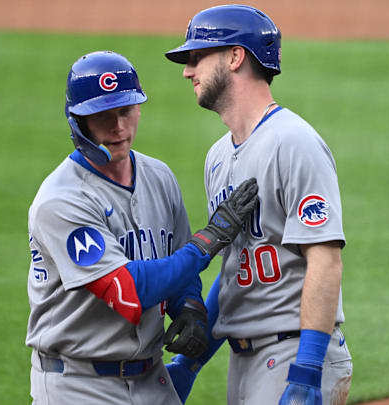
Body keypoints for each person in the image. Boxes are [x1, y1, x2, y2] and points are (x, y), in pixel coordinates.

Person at [25, 50, 259, 404]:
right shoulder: (61, 200)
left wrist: (189, 307)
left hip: (152, 378)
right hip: (78, 384)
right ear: (78, 122)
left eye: (126, 110)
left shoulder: (158, 177)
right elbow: (127, 292)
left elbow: (180, 270)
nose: (118, 126)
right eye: (103, 116)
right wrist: (206, 243)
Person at [163, 5, 353, 405]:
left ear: (235, 57)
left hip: (293, 354)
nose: (187, 70)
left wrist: (306, 371)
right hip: (245, 361)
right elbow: (235, 270)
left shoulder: (293, 142)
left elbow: (325, 260)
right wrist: (189, 364)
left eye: (197, 57)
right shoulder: (217, 157)